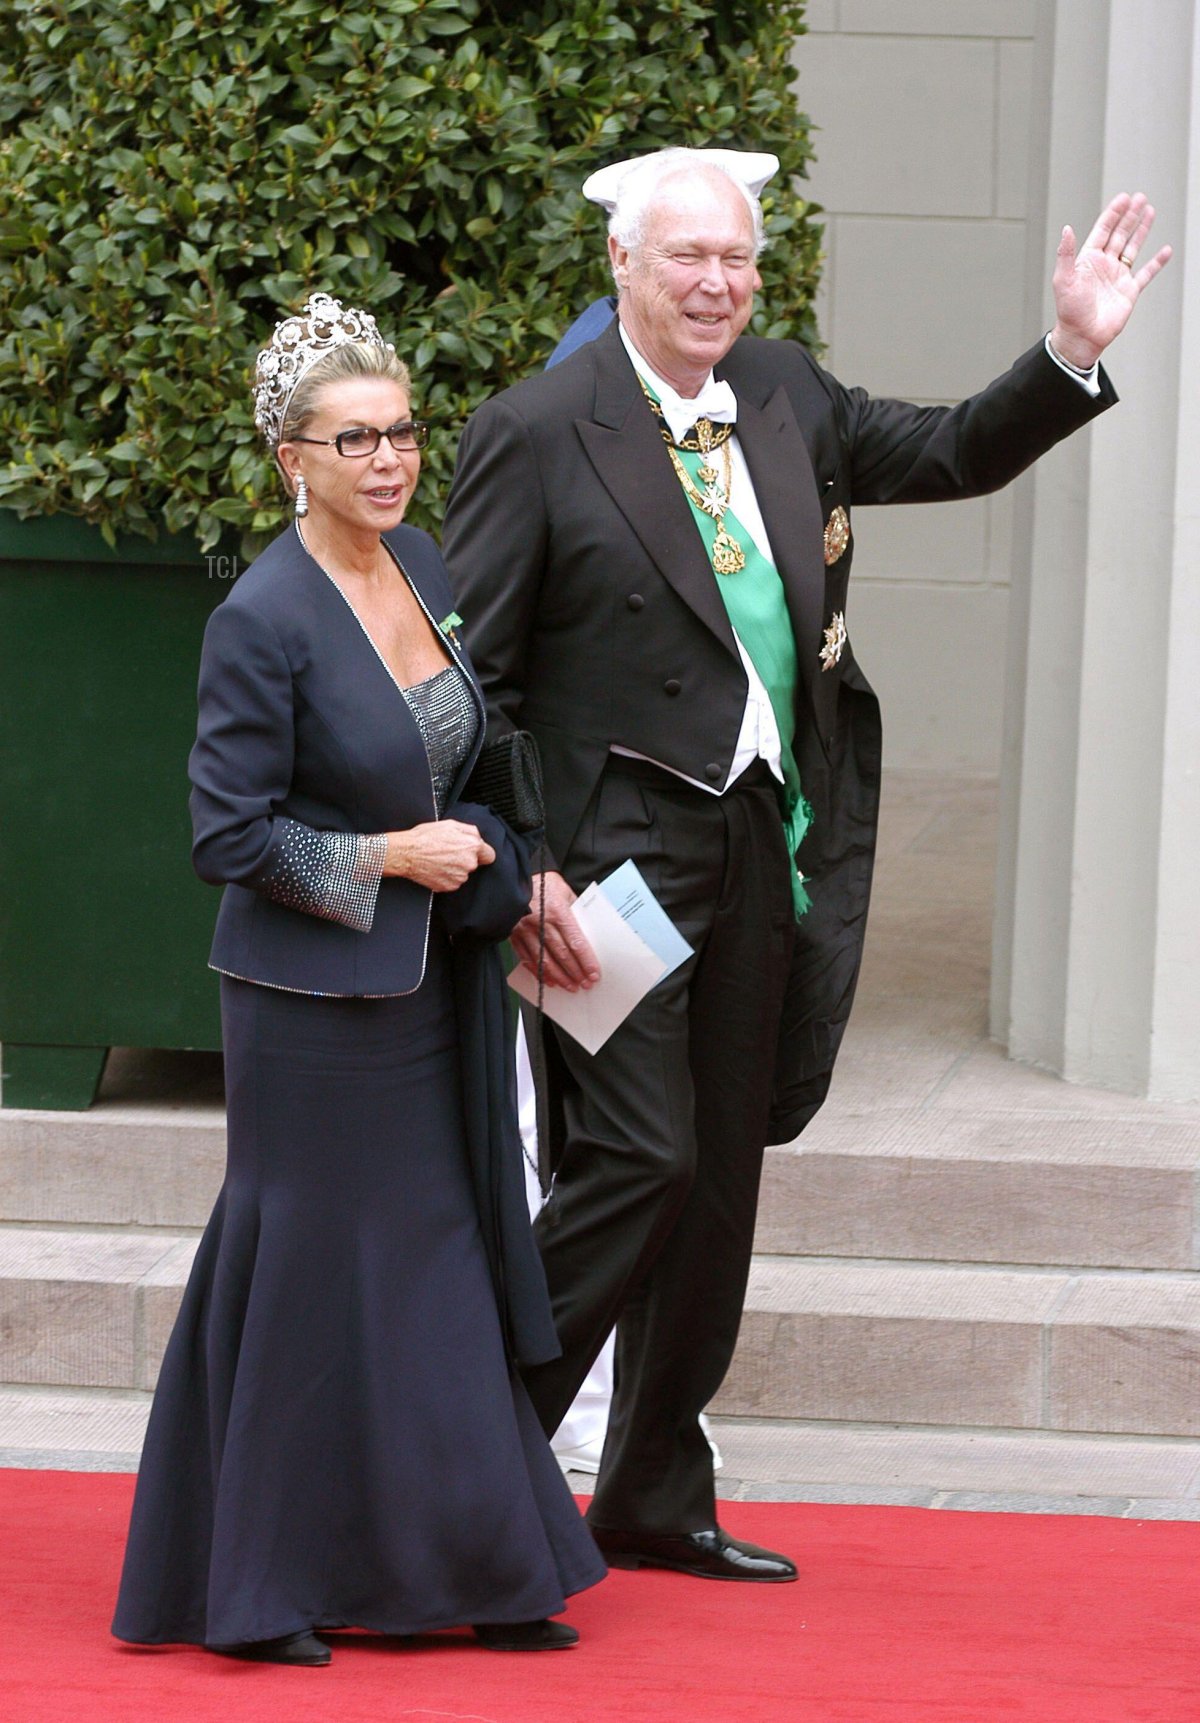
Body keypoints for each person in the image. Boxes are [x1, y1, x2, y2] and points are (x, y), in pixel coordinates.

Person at [441, 147, 1170, 1582]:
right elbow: (479, 681)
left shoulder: (784, 390)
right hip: (608, 871)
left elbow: (953, 449)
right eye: (687, 260)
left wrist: (1069, 353)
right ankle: (468, 1458)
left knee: (718, 1180)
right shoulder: (537, 428)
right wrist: (518, 867)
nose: (717, 284)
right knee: (633, 1158)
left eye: (737, 260)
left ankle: (653, 1485)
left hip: (758, 845)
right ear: (624, 269)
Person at [111, 293, 605, 1665]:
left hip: (432, 987)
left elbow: (474, 755)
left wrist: (511, 874)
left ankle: (489, 1564)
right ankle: (261, 1586)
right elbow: (226, 834)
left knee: (438, 1262)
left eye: (399, 432)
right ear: (293, 460)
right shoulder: (260, 618)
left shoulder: (426, 565)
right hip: (311, 1014)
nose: (388, 460)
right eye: (354, 440)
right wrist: (388, 856)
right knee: (323, 1277)